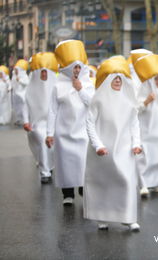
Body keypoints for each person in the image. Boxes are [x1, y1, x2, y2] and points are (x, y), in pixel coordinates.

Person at [84, 56, 142, 231]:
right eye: (114, 77)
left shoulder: (129, 102)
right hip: (103, 149)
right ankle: (103, 216)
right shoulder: (98, 100)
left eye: (120, 78)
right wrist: (98, 145)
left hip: (124, 149)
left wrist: (136, 143)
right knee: (104, 182)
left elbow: (134, 123)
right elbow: (89, 123)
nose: (118, 81)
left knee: (126, 181)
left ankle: (127, 217)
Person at [46, 40, 95, 206]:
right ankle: (68, 193)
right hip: (63, 132)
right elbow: (52, 110)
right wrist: (49, 133)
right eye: (74, 67)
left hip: (83, 130)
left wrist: (80, 89)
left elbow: (93, 104)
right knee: (65, 163)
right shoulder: (58, 86)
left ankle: (83, 189)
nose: (76, 70)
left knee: (82, 162)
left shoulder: (88, 84)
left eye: (79, 67)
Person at [133, 54, 158, 197]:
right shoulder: (144, 91)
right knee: (145, 156)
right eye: (156, 78)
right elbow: (135, 109)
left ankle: (156, 183)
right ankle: (143, 184)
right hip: (147, 129)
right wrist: (146, 101)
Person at [23, 52, 58, 184]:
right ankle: (45, 172)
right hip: (37, 125)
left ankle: (50, 166)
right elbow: (26, 105)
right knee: (44, 143)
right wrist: (26, 121)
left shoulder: (56, 86)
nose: (44, 75)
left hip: (54, 123)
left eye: (46, 72)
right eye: (42, 72)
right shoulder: (31, 88)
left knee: (53, 146)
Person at [10, 59, 29, 126]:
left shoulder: (24, 76)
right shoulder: (14, 76)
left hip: (22, 95)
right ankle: (18, 119)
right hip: (15, 94)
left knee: (23, 107)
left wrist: (20, 80)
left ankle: (24, 120)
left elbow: (27, 83)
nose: (15, 71)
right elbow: (12, 83)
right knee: (16, 107)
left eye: (17, 70)